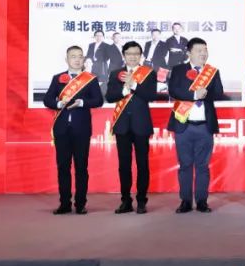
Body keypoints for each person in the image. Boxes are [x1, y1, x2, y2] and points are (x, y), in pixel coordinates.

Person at [42, 45, 104, 214]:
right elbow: (47, 99)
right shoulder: (57, 78)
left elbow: (98, 100)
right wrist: (58, 104)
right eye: (73, 56)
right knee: (63, 167)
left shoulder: (90, 79)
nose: (77, 59)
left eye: (80, 56)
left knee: (81, 167)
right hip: (61, 129)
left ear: (83, 59)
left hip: (81, 129)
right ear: (67, 59)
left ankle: (80, 204)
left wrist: (82, 103)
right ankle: (64, 203)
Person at [167, 37, 226, 213]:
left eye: (205, 50)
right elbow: (173, 90)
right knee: (185, 165)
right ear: (189, 53)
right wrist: (193, 95)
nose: (203, 53)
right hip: (183, 125)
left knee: (202, 166)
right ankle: (185, 201)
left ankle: (202, 201)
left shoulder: (212, 72)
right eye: (199, 50)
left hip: (205, 126)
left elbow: (219, 93)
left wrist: (204, 93)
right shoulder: (179, 70)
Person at [106, 41, 158, 214]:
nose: (133, 57)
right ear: (124, 55)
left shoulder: (149, 73)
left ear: (141, 55)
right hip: (122, 126)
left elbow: (151, 95)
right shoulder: (116, 73)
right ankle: (125, 201)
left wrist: (134, 84)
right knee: (124, 165)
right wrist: (124, 90)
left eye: (136, 54)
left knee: (142, 164)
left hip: (141, 125)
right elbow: (110, 96)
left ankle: (142, 201)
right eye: (129, 53)